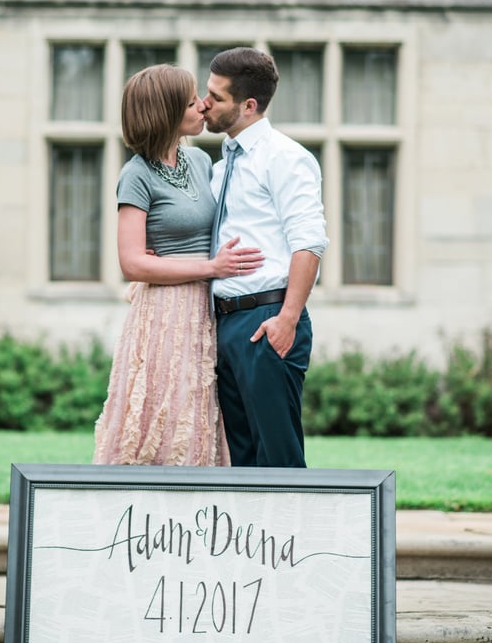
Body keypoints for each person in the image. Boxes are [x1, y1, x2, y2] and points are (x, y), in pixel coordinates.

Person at [94, 63, 264, 467]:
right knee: (163, 418)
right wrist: (211, 267)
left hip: (206, 312)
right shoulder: (135, 175)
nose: (204, 106)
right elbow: (132, 264)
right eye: (192, 102)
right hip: (163, 319)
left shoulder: (202, 163)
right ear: (168, 114)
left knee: (201, 417)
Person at [202, 47, 329, 468]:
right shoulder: (220, 168)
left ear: (248, 105)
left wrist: (287, 319)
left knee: (279, 460)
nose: (205, 104)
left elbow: (309, 242)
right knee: (240, 461)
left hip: (267, 321)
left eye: (216, 97)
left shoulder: (286, 158)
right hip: (224, 324)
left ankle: (301, 535)